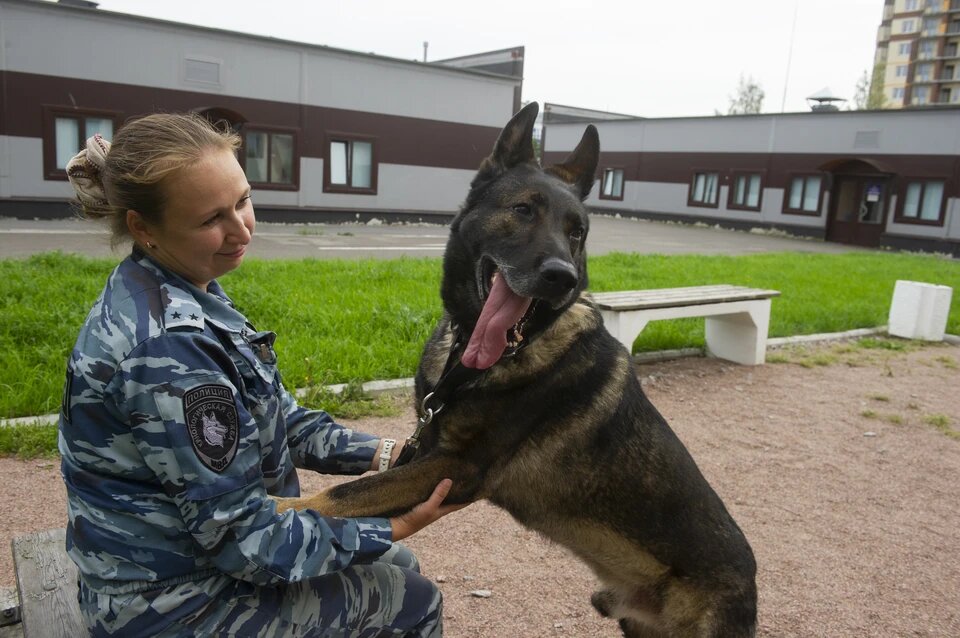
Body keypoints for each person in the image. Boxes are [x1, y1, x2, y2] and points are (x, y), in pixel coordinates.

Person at [59, 112, 462, 637]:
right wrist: (392, 523)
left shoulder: (182, 288)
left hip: (177, 572)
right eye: (211, 220)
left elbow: (282, 419)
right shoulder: (168, 351)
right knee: (411, 598)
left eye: (243, 201)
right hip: (173, 607)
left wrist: (388, 455)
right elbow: (245, 542)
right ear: (143, 227)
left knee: (396, 565)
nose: (241, 229)